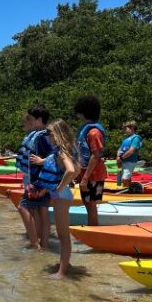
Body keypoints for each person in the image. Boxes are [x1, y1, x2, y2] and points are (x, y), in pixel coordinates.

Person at [31, 119, 80, 279]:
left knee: (63, 235)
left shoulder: (61, 151)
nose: (48, 137)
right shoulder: (67, 149)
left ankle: (61, 273)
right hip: (63, 194)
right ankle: (66, 264)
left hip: (62, 195)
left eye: (50, 133)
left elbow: (71, 170)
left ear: (58, 134)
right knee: (62, 234)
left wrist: (58, 189)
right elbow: (78, 169)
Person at [15, 105, 53, 250]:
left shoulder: (43, 138)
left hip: (38, 182)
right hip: (41, 181)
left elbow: (54, 157)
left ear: (39, 120)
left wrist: (43, 184)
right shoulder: (42, 135)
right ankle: (43, 245)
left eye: (30, 119)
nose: (28, 122)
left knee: (22, 207)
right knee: (41, 211)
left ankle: (34, 244)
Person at [73, 95, 107, 226]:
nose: (78, 116)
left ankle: (93, 229)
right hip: (85, 173)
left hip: (93, 174)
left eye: (79, 113)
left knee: (91, 204)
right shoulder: (85, 130)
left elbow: (96, 155)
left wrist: (85, 178)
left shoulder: (93, 132)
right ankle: (91, 227)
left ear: (84, 112)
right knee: (87, 203)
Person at [116, 121, 142, 189]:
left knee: (125, 178)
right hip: (123, 161)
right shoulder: (126, 139)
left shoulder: (136, 138)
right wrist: (118, 157)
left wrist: (121, 158)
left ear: (132, 128)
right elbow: (119, 149)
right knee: (126, 177)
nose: (125, 130)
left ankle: (126, 191)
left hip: (130, 161)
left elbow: (131, 151)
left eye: (126, 129)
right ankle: (129, 189)